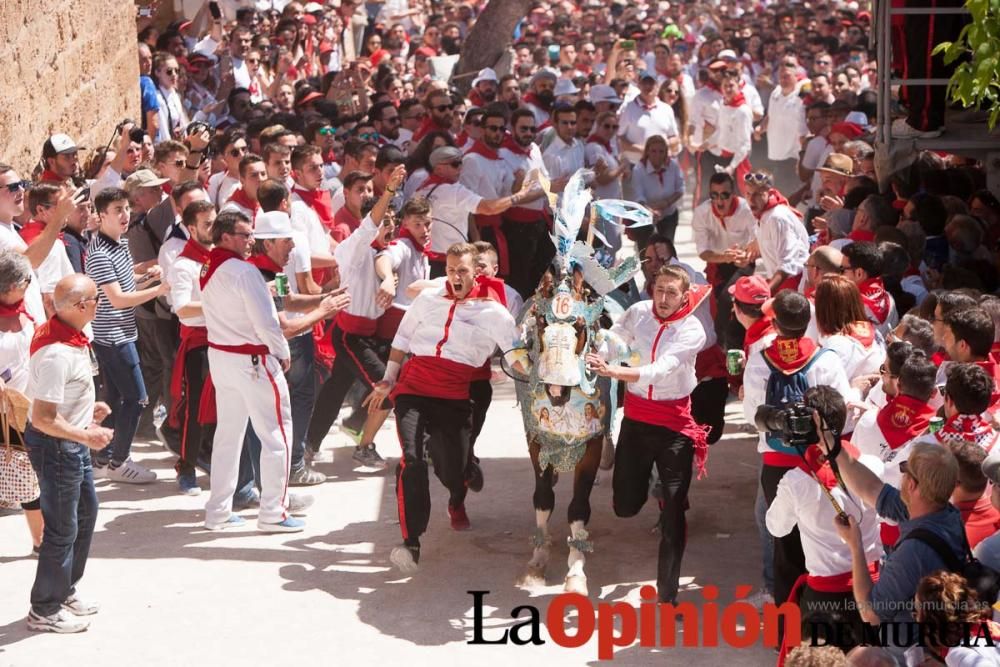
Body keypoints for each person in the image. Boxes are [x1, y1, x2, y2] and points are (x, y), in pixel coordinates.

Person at [367, 242, 518, 573]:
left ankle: (459, 487)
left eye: (462, 271)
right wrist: (389, 379)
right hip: (414, 387)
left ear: (475, 271)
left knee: (451, 467)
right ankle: (411, 542)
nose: (455, 277)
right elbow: (402, 340)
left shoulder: (494, 312)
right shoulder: (428, 298)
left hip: (454, 396)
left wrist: (541, 373)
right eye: (450, 271)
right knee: (412, 460)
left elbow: (516, 354)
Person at [586, 265, 710, 603]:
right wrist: (601, 354)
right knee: (624, 507)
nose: (664, 299)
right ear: (651, 290)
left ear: (685, 296)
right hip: (637, 424)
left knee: (673, 514)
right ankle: (653, 487)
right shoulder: (638, 312)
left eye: (672, 293)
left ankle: (667, 594)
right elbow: (615, 340)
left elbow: (662, 369)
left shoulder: (692, 329)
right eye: (659, 290)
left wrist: (618, 372)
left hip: (675, 427)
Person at [743, 289, 853, 613]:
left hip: (776, 463)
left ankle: (786, 635)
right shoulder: (827, 358)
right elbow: (840, 415)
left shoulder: (759, 358)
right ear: (809, 323)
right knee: (820, 546)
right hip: (819, 463)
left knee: (785, 550)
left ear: (774, 323)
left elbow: (753, 415)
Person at [199, 210, 301, 533]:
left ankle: (218, 510)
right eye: (245, 235)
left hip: (222, 358)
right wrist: (282, 351)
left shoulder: (209, 265)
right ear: (226, 237)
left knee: (228, 436)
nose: (251, 241)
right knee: (276, 434)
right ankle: (273, 511)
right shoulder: (244, 272)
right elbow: (266, 324)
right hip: (251, 360)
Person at [24, 274, 113, 633]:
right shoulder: (57, 353)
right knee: (62, 529)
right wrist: (85, 435)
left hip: (71, 442)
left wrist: (88, 409)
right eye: (95, 299)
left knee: (85, 514)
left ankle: (63, 590)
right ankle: (44, 608)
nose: (99, 304)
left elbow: (60, 399)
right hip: (59, 447)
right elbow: (43, 417)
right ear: (80, 308)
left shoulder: (69, 336)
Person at [766, 386, 882, 655]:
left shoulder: (796, 481)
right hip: (874, 590)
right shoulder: (873, 465)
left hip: (825, 599)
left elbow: (776, 526)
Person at [306, 165, 406, 466]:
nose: (387, 228)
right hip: (350, 335)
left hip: (370, 335)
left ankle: (309, 444)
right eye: (382, 221)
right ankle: (367, 446)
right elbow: (369, 228)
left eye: (392, 223)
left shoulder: (385, 253)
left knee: (335, 390)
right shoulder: (354, 246)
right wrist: (387, 191)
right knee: (388, 387)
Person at [827, 440, 966, 632]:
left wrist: (855, 545)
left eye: (904, 469)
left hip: (905, 656)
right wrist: (833, 448)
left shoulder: (914, 552)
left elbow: (870, 614)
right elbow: (872, 489)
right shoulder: (944, 512)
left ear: (911, 484)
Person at [86, 187, 169, 483]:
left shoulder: (118, 244)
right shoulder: (98, 253)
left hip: (122, 333)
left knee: (115, 397)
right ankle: (119, 461)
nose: (124, 215)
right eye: (117, 210)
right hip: (112, 337)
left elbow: (124, 280)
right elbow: (118, 299)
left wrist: (146, 276)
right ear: (101, 215)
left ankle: (101, 457)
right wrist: (156, 290)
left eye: (125, 208)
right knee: (137, 398)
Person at [744, 171, 809, 294]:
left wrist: (766, 293)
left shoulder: (776, 217)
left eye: (757, 194)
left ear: (770, 193)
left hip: (793, 285)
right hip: (781, 283)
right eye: (748, 193)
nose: (751, 199)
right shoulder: (763, 215)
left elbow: (787, 265)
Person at [630, 135, 684, 244]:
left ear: (666, 152)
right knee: (646, 251)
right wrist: (651, 211)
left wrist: (666, 203)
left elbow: (680, 188)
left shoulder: (673, 165)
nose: (657, 155)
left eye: (661, 151)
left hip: (669, 213)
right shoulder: (639, 169)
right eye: (653, 151)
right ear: (647, 152)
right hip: (645, 214)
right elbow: (638, 196)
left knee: (666, 249)